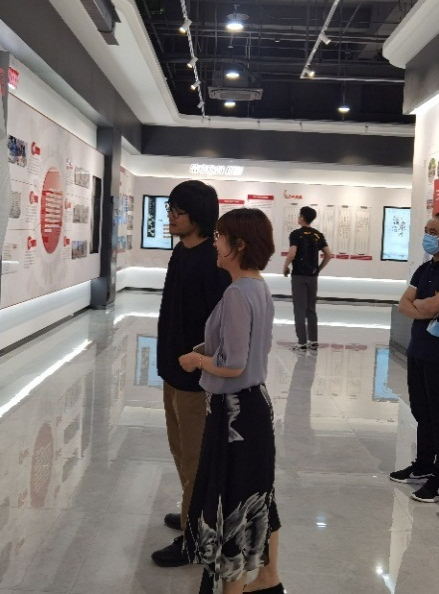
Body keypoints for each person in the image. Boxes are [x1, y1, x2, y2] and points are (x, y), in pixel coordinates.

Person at [178, 208, 283, 594]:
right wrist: (209, 348)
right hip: (254, 407)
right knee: (257, 495)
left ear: (238, 244)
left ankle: (234, 589)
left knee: (232, 505)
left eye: (220, 237)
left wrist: (197, 361)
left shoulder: (237, 293)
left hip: (235, 413)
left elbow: (233, 365)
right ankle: (269, 579)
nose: (215, 244)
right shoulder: (258, 286)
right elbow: (255, 347)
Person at [152, 181, 231, 568]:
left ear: (197, 215)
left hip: (197, 380)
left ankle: (196, 538)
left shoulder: (213, 263)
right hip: (173, 371)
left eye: (176, 211)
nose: (169, 217)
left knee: (196, 460)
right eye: (169, 209)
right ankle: (189, 513)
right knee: (181, 451)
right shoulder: (181, 252)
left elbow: (222, 331)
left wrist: (199, 362)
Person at [391, 213, 439, 503]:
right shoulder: (424, 269)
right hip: (418, 349)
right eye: (426, 230)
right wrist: (425, 307)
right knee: (421, 411)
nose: (428, 236)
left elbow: (435, 306)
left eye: (434, 232)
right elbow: (403, 304)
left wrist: (421, 306)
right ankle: (423, 465)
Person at [282, 206, 333, 351]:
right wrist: (318, 269)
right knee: (311, 309)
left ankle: (302, 342)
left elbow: (292, 253)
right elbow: (329, 254)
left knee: (299, 309)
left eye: (299, 215)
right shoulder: (318, 235)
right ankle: (313, 340)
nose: (298, 217)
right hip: (312, 276)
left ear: (303, 217)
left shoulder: (296, 234)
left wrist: (285, 266)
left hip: (298, 276)